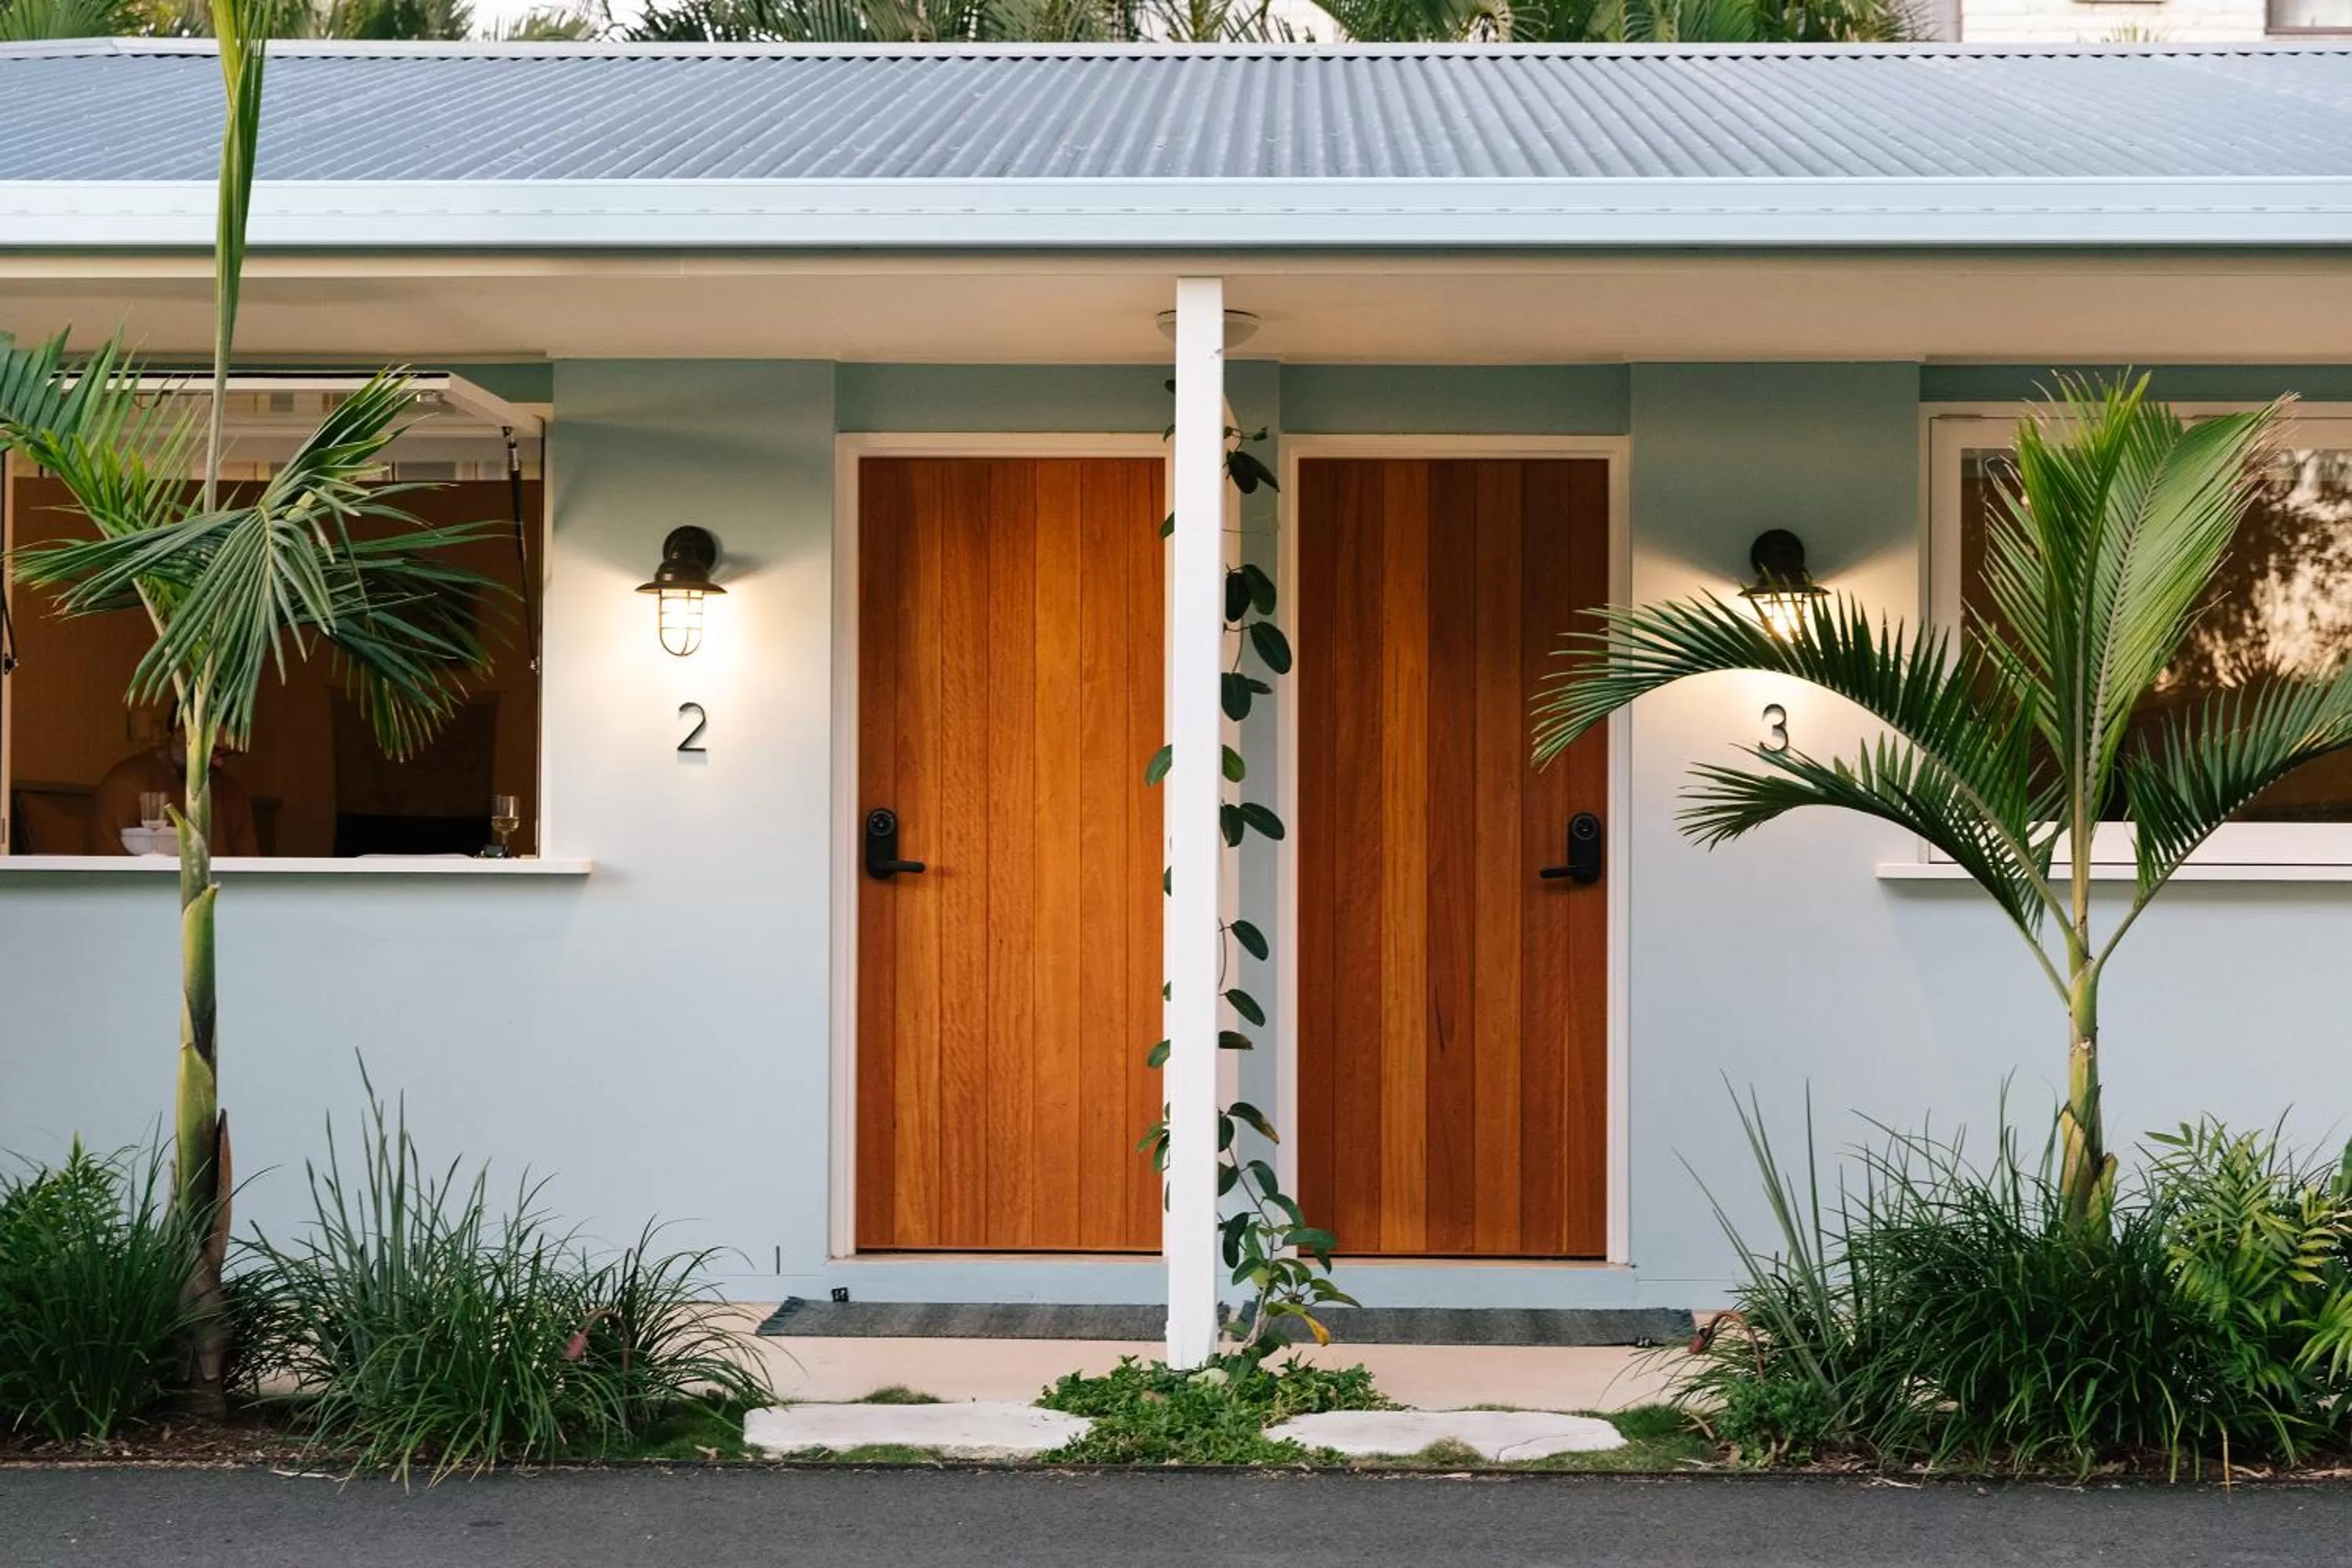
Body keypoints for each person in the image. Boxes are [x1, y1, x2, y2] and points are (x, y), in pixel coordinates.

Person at [89, 710, 261, 857]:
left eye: (229, 754)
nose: (219, 764)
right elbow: (107, 877)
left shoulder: (234, 794)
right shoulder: (124, 786)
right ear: (180, 731)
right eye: (214, 750)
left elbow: (249, 875)